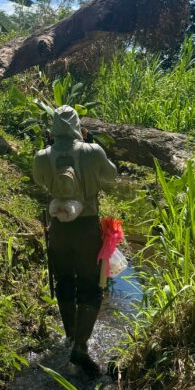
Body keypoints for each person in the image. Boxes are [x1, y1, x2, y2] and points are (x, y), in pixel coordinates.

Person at [33, 105, 117, 376]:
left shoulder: (43, 156)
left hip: (58, 228)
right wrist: (90, 145)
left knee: (64, 282)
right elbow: (111, 175)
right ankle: (80, 346)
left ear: (54, 128)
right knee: (91, 286)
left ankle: (70, 337)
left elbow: (40, 181)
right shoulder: (91, 152)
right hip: (87, 228)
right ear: (77, 126)